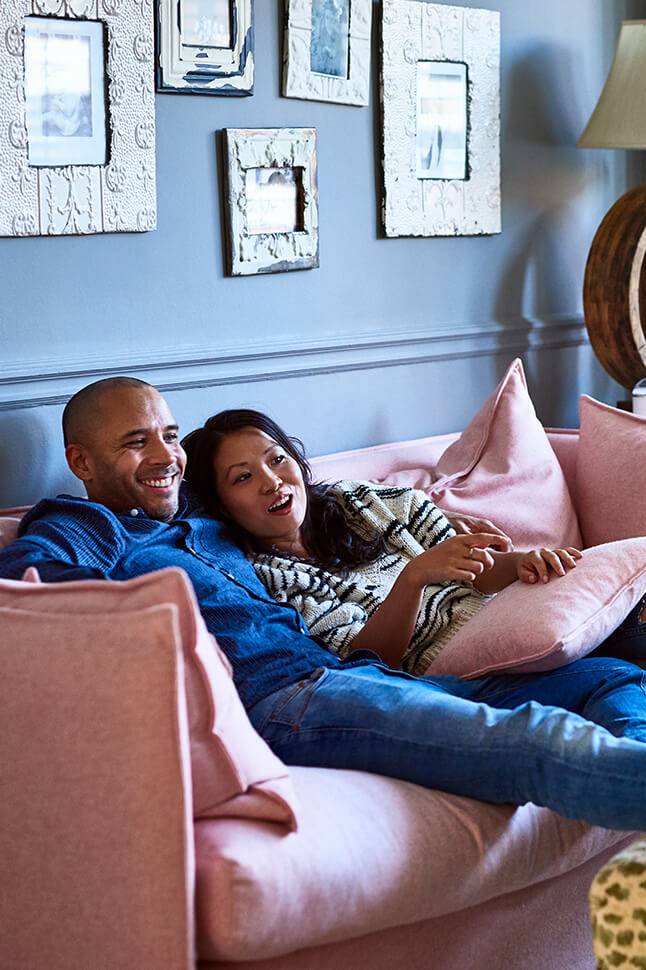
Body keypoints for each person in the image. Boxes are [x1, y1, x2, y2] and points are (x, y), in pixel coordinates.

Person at [3, 376, 646, 833]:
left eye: (170, 436)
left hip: (352, 676)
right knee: (528, 740)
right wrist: (152, 615)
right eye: (136, 441)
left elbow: (275, 486)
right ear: (80, 460)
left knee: (610, 680)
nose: (165, 455)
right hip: (282, 701)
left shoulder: (198, 515)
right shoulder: (83, 523)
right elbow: (24, 583)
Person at [181, 408, 585, 674]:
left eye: (277, 459)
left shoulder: (365, 502)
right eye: (243, 477)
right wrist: (413, 580)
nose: (272, 482)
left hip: (515, 623)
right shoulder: (269, 579)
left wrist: (525, 562)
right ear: (221, 506)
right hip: (454, 673)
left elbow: (476, 571)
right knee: (608, 678)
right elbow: (368, 660)